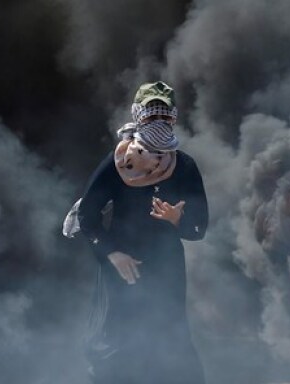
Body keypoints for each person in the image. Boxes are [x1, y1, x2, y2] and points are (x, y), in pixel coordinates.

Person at [76, 81, 208, 384]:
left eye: (164, 116)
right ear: (138, 116)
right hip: (122, 266)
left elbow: (199, 228)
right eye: (151, 116)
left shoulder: (185, 167)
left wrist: (178, 220)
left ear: (173, 118)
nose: (158, 123)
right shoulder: (118, 163)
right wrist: (111, 253)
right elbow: (88, 215)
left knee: (171, 342)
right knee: (119, 346)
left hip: (167, 269)